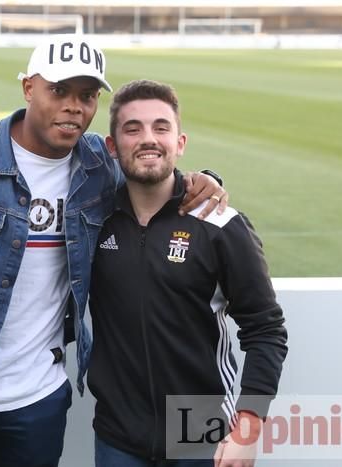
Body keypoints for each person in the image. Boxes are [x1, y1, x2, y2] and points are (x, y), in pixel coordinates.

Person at [0, 36, 227, 467]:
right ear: (28, 89)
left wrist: (203, 178)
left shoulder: (99, 164)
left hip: (38, 401)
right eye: (59, 91)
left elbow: (152, 170)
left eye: (87, 95)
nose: (74, 106)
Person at [87, 79, 288, 467]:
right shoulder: (93, 221)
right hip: (118, 436)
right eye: (133, 129)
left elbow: (266, 329)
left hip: (203, 432)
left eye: (161, 127)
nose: (148, 139)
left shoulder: (221, 224)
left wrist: (249, 425)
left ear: (180, 143)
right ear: (112, 147)